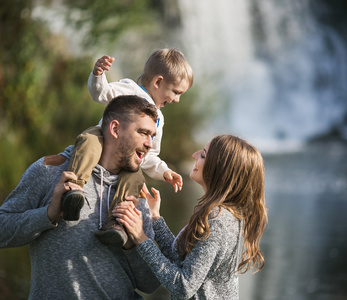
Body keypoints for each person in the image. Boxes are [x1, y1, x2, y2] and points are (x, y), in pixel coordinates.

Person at [0, 95, 161, 299]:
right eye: (143, 133)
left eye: (152, 136)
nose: (150, 144)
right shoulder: (50, 170)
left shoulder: (137, 197)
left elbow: (150, 284)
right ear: (115, 129)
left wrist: (134, 242)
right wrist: (47, 215)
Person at [63, 48, 194, 247]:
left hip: (125, 159)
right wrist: (98, 75)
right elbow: (101, 94)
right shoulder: (129, 89)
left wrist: (164, 171)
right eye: (176, 92)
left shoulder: (159, 119)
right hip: (103, 139)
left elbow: (148, 154)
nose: (176, 99)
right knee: (89, 140)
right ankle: (74, 191)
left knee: (135, 177)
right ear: (158, 82)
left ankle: (115, 222)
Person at [113, 135, 268, 299]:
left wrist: (140, 238)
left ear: (219, 169)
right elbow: (180, 260)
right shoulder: (217, 214)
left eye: (203, 155)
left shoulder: (219, 222)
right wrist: (155, 218)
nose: (194, 155)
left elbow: (183, 287)